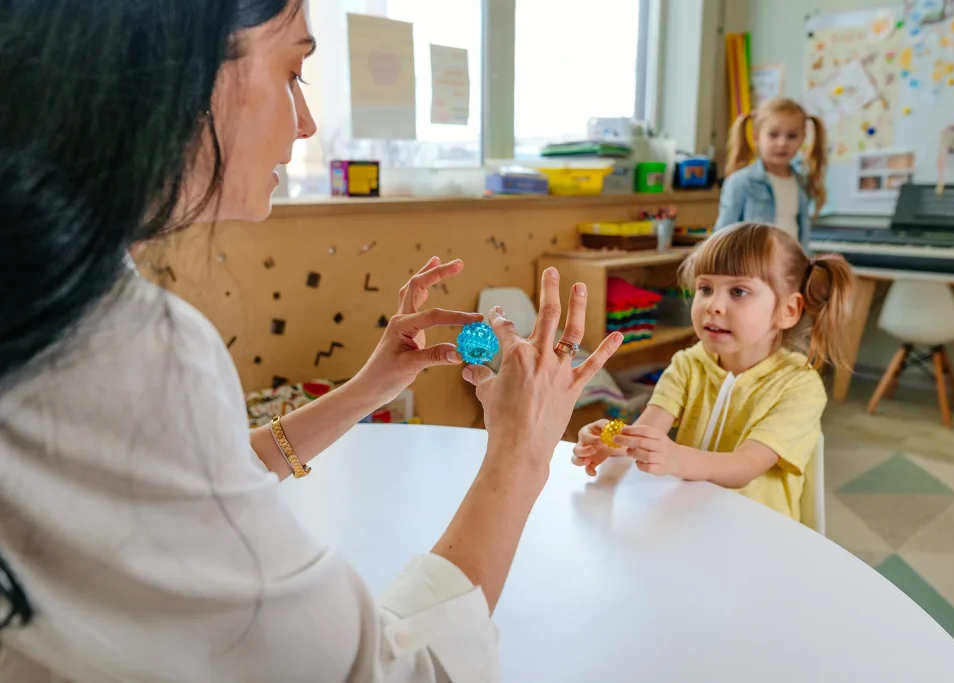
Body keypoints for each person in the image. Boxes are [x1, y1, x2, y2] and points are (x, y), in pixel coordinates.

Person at [0, 1, 622, 681]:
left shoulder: (45, 296)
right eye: (294, 71)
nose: (306, 121)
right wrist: (521, 454)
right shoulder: (130, 349)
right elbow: (384, 673)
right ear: (174, 73)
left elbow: (171, 484)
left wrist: (365, 390)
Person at [572, 223, 853, 522]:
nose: (713, 305)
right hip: (692, 517)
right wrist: (613, 442)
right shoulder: (688, 364)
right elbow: (648, 430)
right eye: (705, 288)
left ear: (789, 310)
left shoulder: (800, 386)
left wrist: (676, 458)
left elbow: (746, 466)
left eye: (739, 291)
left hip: (758, 532)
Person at [713, 98, 828, 247]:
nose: (782, 143)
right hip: (752, 267)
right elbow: (722, 235)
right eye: (773, 135)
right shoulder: (741, 182)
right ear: (756, 136)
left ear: (803, 138)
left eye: (792, 136)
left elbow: (802, 234)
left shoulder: (802, 182)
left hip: (790, 266)